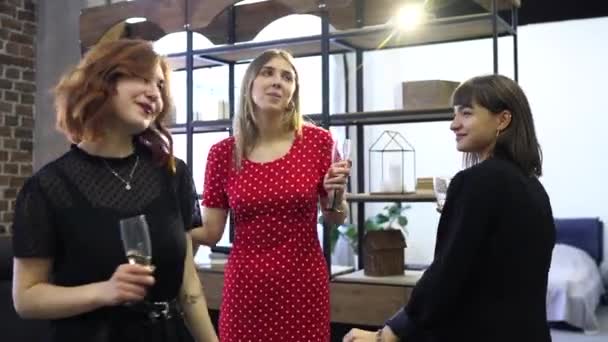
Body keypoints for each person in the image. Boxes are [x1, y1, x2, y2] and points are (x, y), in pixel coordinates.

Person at [11, 39, 218, 342]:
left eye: (160, 86)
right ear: (104, 80)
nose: (154, 93)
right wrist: (104, 292)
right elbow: (26, 299)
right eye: (143, 78)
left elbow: (188, 286)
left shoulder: (173, 173)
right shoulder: (48, 186)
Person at [344, 74, 556, 342]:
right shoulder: (533, 187)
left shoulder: (477, 181)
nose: (454, 125)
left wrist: (388, 334)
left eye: (466, 114)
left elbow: (447, 275)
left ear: (503, 119)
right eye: (454, 114)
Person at [190, 49, 350, 341]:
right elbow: (211, 232)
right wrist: (168, 224)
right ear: (249, 84)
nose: (278, 82)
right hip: (245, 290)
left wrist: (334, 194)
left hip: (303, 286)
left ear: (294, 92)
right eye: (268, 73)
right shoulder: (222, 153)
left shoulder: (319, 142)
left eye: (287, 77)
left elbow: (334, 217)